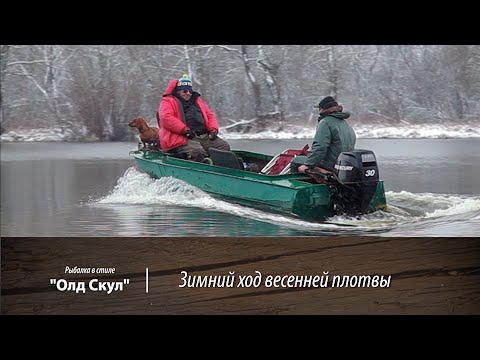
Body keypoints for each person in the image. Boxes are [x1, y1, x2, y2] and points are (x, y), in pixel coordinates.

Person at [157, 74, 230, 162]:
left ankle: (220, 168)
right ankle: (200, 171)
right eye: (185, 91)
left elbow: (210, 115)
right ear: (178, 92)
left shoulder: (197, 100)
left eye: (190, 91)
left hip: (204, 136)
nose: (188, 93)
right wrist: (185, 130)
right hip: (183, 138)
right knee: (197, 151)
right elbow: (166, 118)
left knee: (223, 146)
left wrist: (213, 130)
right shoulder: (168, 101)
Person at [291, 96, 356, 176]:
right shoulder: (345, 124)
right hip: (343, 164)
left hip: (330, 164)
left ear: (323, 109)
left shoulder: (325, 122)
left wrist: (307, 165)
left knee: (295, 160)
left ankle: (295, 186)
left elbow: (320, 147)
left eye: (319, 109)